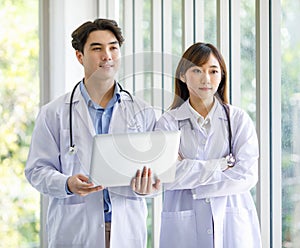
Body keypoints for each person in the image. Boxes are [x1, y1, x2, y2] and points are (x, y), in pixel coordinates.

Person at [25, 18, 160, 248]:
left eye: (113, 47)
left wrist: (150, 187)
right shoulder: (54, 113)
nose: (107, 55)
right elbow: (36, 171)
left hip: (125, 230)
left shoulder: (143, 111)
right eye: (97, 48)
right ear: (80, 56)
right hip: (75, 231)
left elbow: (156, 173)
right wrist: (67, 183)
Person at [155, 42, 262, 248]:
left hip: (233, 223)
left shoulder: (238, 119)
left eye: (213, 71)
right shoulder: (168, 122)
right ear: (183, 76)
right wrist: (221, 164)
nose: (206, 78)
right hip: (183, 227)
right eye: (197, 70)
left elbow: (246, 176)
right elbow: (166, 175)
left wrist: (190, 176)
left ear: (221, 76)